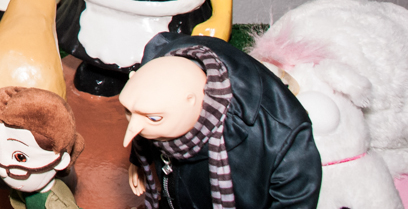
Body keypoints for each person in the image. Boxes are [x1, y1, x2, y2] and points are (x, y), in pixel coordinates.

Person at [121, 32, 322, 209]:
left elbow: (295, 200)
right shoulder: (157, 66)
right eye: (129, 112)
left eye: (154, 118)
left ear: (191, 101)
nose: (133, 129)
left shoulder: (281, 136)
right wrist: (138, 158)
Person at [0, 86, 84, 208]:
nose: (2, 171)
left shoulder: (57, 203)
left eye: (20, 157)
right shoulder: (21, 191)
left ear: (60, 160)